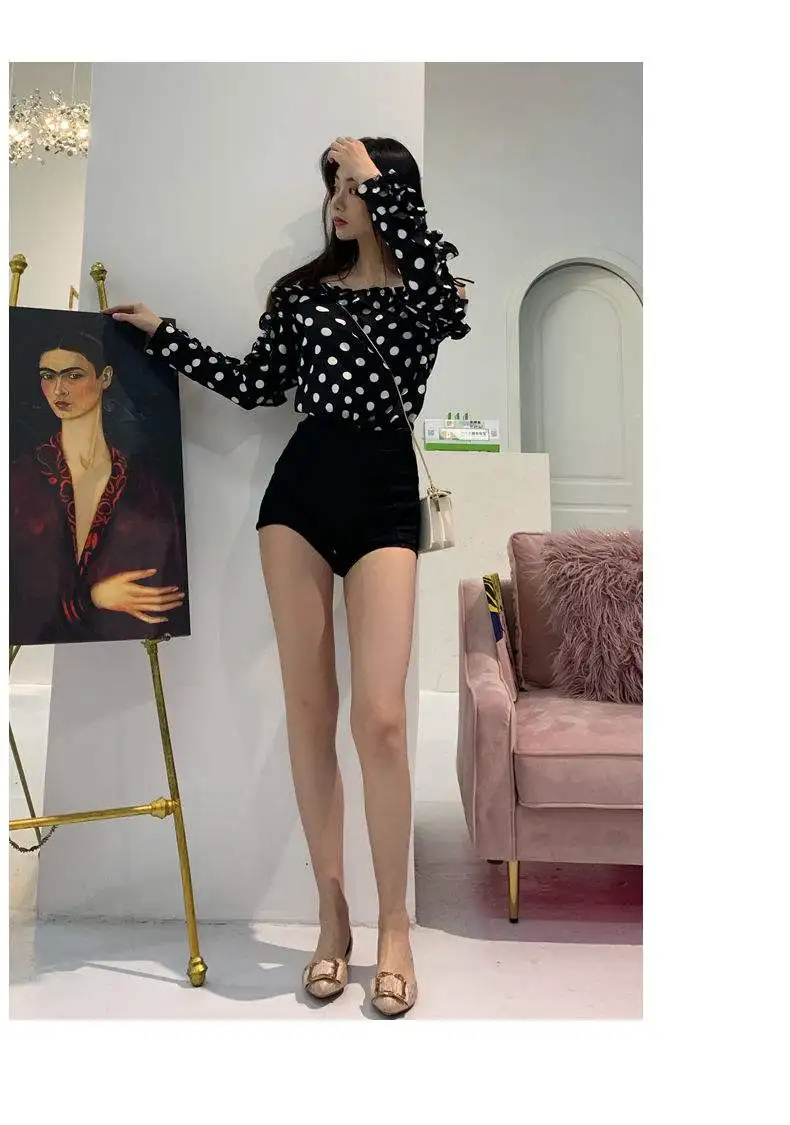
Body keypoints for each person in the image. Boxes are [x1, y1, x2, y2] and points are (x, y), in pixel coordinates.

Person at [107, 136, 470, 1017]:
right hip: (299, 499)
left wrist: (376, 180)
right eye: (334, 188)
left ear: (388, 195)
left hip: (385, 498)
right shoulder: (301, 295)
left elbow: (439, 300)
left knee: (382, 719)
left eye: (352, 189)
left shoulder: (431, 291)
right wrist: (166, 338)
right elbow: (257, 383)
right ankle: (332, 917)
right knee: (312, 712)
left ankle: (394, 925)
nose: (337, 203)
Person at [9, 329, 188, 645]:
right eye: (48, 376)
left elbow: (167, 587)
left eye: (73, 375)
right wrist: (94, 597)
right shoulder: (19, 480)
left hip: (126, 644)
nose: (59, 389)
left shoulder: (147, 487)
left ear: (105, 377)